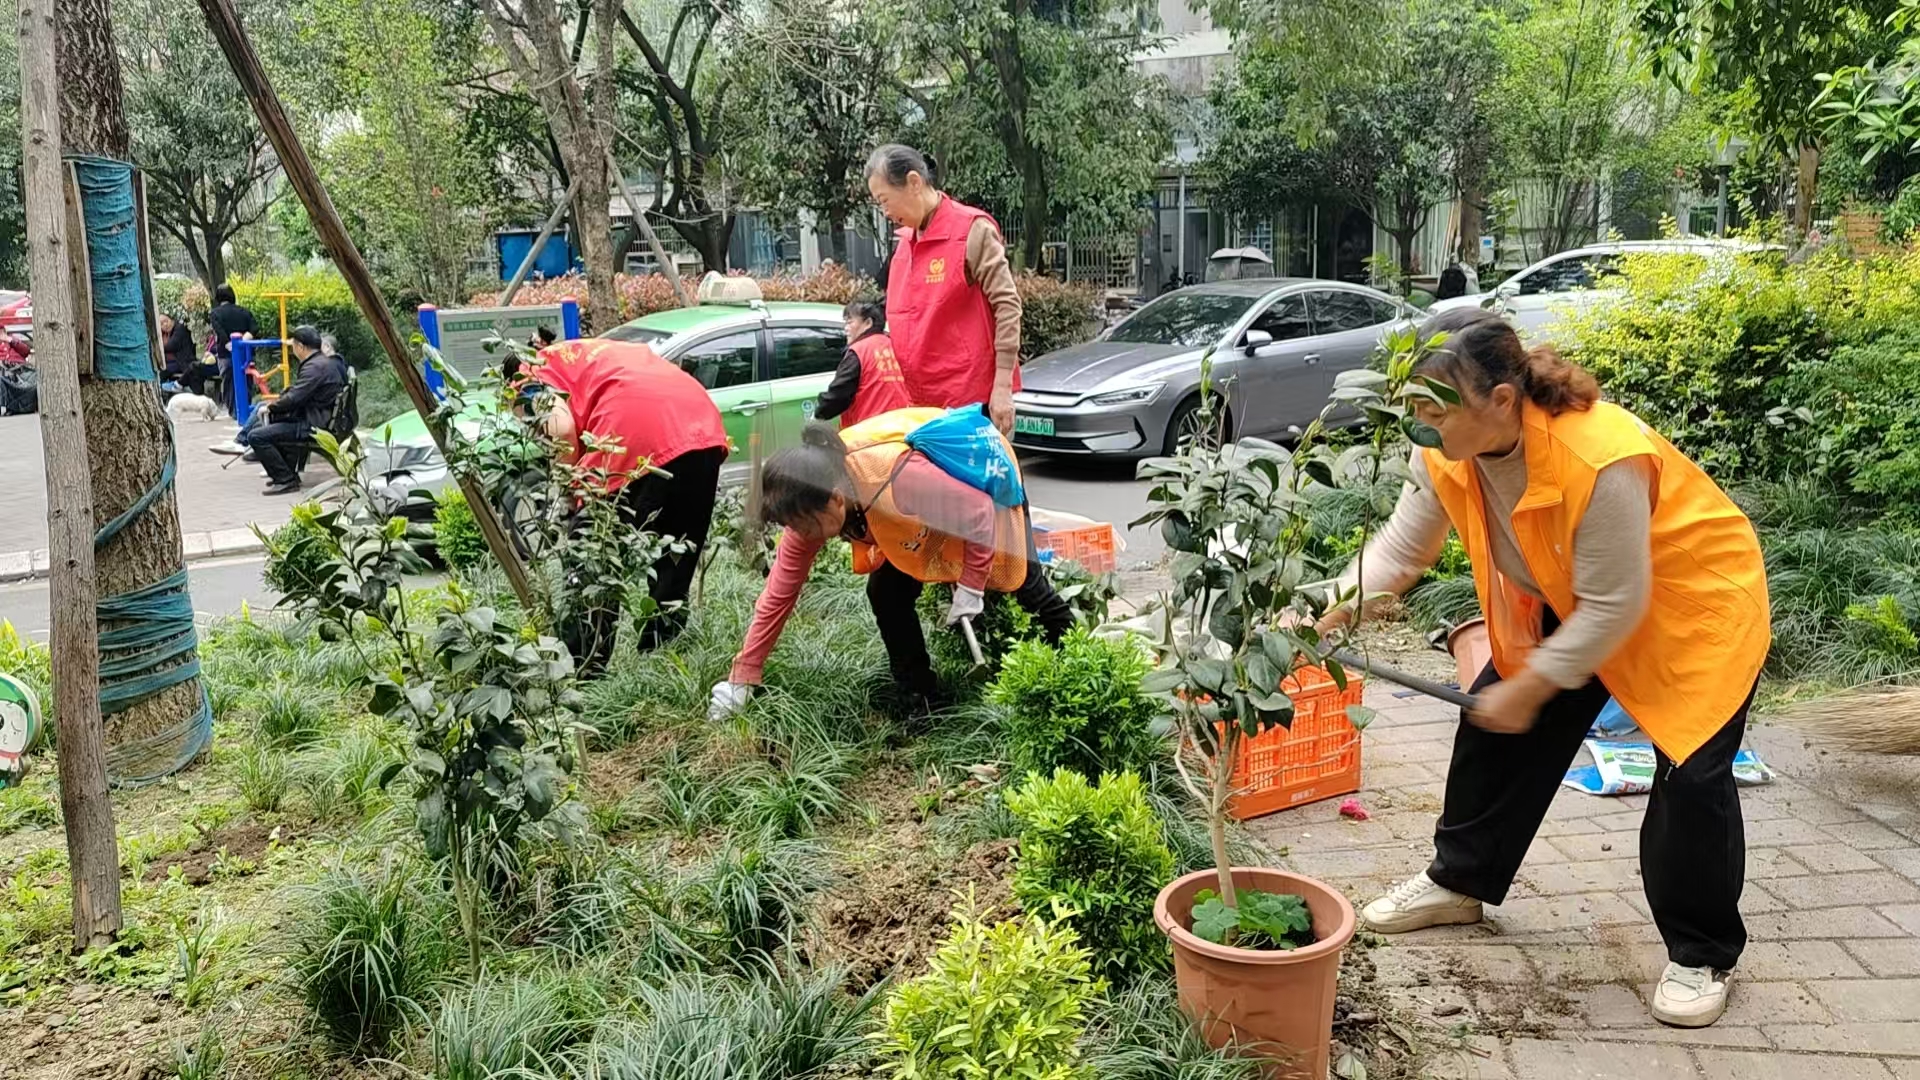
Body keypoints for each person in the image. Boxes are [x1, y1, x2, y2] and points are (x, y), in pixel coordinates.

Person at [1319, 307, 1770, 1030]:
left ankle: (1702, 952)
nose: (1420, 426)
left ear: (1502, 400)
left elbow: (1616, 607)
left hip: (1692, 606)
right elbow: (1401, 552)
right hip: (1577, 590)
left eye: (1434, 410)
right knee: (1492, 721)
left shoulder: (1599, 456)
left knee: (1692, 778)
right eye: (1411, 408)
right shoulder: (1440, 447)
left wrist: (1534, 687)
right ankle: (1459, 883)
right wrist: (1322, 609)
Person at [707, 409, 1074, 722]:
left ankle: (1074, 654)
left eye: (805, 526)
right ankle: (922, 698)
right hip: (916, 511)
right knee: (886, 593)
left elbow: (978, 513)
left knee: (1021, 577)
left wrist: (972, 586)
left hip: (981, 471)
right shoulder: (809, 504)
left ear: (836, 500)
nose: (802, 535)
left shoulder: (898, 475)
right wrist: (743, 674)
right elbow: (779, 595)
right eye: (795, 528)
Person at [525, 338, 729, 674]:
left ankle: (584, 676)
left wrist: (568, 488)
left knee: (591, 562)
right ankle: (662, 664)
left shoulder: (524, 373)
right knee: (675, 556)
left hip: (631, 432)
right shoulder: (588, 352)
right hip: (701, 426)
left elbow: (560, 427)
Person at [865, 144, 1022, 434]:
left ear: (914, 182)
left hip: (970, 404)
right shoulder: (905, 244)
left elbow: (1007, 305)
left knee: (974, 479)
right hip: (921, 403)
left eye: (885, 200)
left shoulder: (971, 231)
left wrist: (1002, 386)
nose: (885, 212)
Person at [252, 326, 346, 496]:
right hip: (321, 417)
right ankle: (287, 474)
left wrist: (271, 406)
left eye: (293, 346)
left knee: (257, 436)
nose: (292, 349)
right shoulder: (323, 362)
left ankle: (285, 479)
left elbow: (295, 398)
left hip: (313, 424)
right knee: (276, 421)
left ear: (301, 347)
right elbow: (300, 392)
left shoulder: (314, 367)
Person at [815, 300, 910, 427]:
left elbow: (838, 395)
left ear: (868, 323)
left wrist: (820, 412)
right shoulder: (895, 345)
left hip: (870, 433)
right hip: (903, 427)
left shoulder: (858, 351)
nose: (846, 328)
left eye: (850, 322)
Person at [207, 284, 256, 415]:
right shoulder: (245, 311)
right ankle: (246, 408)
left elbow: (219, 331)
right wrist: (244, 339)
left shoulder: (215, 313)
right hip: (246, 353)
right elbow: (254, 329)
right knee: (246, 381)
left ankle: (234, 410)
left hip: (225, 354)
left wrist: (229, 344)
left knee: (229, 383)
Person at [159, 313, 196, 390]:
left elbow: (171, 346)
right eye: (161, 324)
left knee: (162, 371)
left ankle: (161, 391)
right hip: (171, 362)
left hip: (182, 362)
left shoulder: (180, 329)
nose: (165, 324)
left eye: (166, 321)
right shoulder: (166, 334)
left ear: (171, 319)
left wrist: (158, 347)